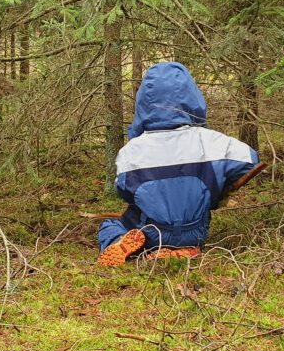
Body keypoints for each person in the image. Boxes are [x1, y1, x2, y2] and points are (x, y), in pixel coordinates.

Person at [98, 62, 259, 266]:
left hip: (152, 233)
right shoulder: (211, 142)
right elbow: (250, 161)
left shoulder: (131, 151)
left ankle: (118, 240)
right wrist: (216, 187)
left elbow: (123, 190)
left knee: (110, 224)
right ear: (192, 97)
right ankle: (185, 249)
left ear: (143, 103)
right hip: (195, 232)